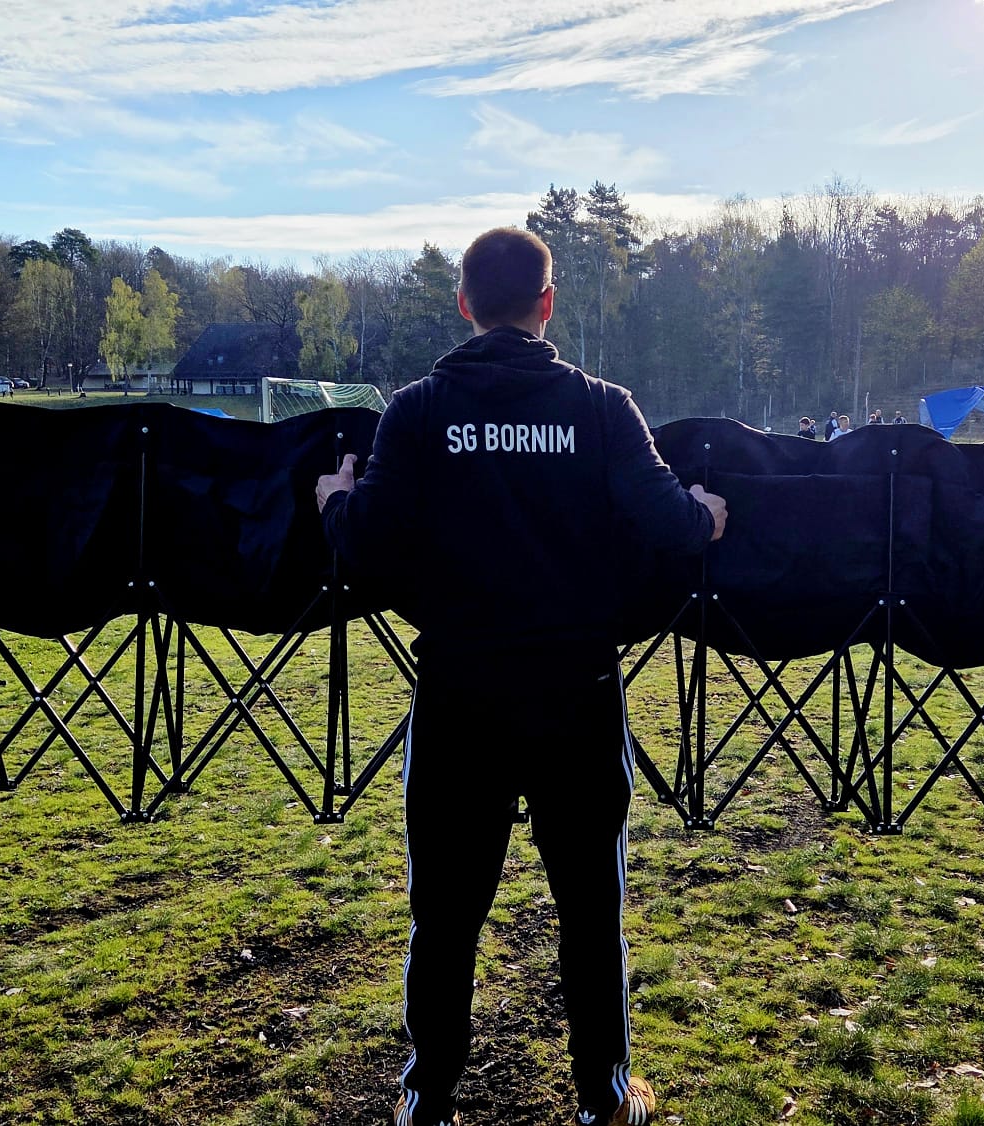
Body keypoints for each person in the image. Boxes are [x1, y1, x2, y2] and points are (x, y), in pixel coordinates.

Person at [317, 227, 724, 1126]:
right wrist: (705, 512)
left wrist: (334, 500)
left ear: (464, 303)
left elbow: (368, 544)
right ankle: (606, 1101)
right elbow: (672, 528)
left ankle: (427, 1102)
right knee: (590, 909)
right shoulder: (603, 407)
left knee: (446, 915)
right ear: (547, 304)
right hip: (579, 695)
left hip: (460, 695)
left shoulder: (417, 410)